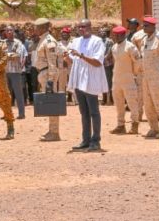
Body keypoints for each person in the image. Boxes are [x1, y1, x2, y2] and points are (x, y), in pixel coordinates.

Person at [66, 19, 107, 151]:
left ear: (90, 27)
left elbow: (97, 62)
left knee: (94, 112)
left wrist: (81, 55)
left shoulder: (97, 41)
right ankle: (86, 140)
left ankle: (96, 141)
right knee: (84, 112)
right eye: (79, 27)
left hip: (91, 81)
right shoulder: (76, 41)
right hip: (78, 80)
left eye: (83, 26)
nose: (81, 29)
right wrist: (65, 57)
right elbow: (72, 61)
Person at [33, 18, 63, 141]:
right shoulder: (43, 39)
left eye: (37, 28)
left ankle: (54, 132)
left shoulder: (49, 41)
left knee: (52, 102)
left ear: (43, 28)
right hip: (44, 73)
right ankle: (52, 130)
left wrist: (51, 79)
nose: (35, 30)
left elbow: (52, 62)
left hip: (47, 74)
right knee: (49, 103)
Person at [109, 25, 142, 135]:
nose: (116, 37)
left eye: (119, 35)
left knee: (132, 103)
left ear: (124, 35)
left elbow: (138, 62)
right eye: (115, 35)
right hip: (116, 79)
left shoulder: (130, 47)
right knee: (118, 103)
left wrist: (134, 73)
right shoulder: (114, 47)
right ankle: (120, 125)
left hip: (128, 78)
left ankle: (134, 124)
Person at [3, 25, 27, 119]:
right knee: (5, 94)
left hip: (16, 71)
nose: (9, 32)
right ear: (5, 32)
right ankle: (7, 114)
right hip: (5, 71)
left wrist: (5, 56)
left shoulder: (18, 42)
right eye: (7, 30)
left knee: (18, 93)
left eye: (11, 30)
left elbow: (17, 55)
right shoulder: (2, 43)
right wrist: (9, 56)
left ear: (13, 32)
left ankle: (21, 114)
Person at [100, 28, 115, 105]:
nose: (102, 33)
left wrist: (103, 59)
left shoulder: (109, 41)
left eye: (103, 32)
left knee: (109, 81)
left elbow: (110, 52)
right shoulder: (99, 41)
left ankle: (111, 99)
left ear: (106, 33)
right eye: (101, 32)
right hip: (99, 65)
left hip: (107, 64)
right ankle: (104, 99)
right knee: (102, 81)